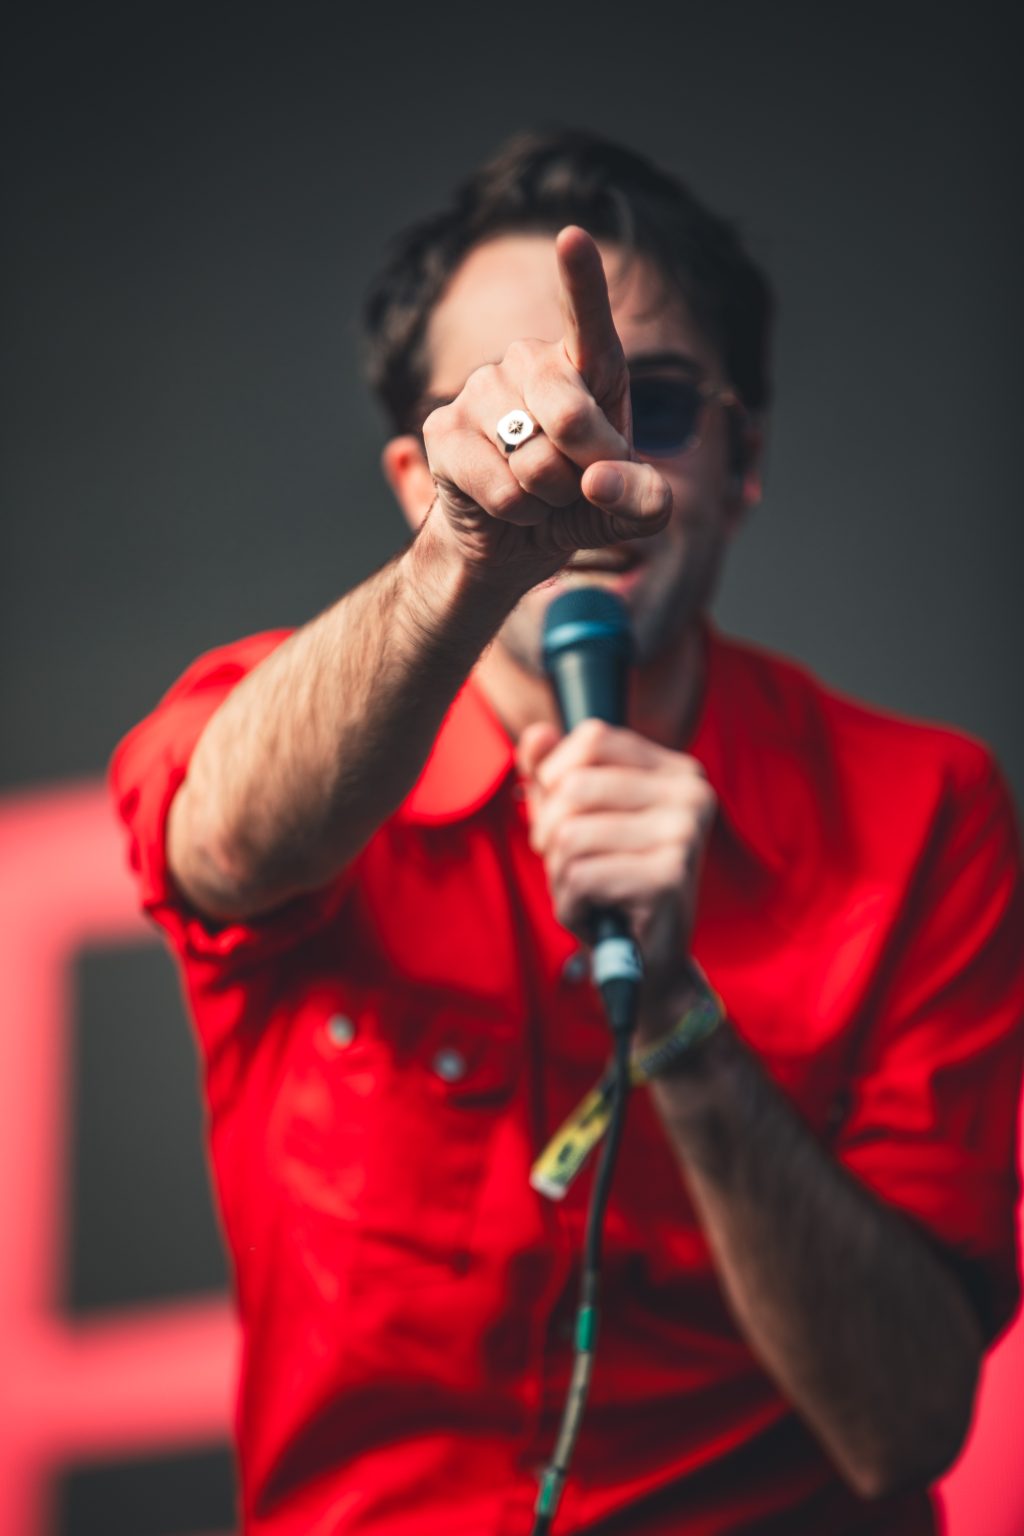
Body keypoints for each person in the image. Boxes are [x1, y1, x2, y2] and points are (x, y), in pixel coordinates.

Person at [110, 130, 1024, 1535]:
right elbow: (227, 847)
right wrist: (476, 550)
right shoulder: (261, 718)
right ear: (421, 478)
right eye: (513, 417)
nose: (584, 469)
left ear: (745, 458)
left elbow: (905, 1426)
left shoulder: (925, 809)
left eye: (647, 403)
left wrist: (682, 1027)